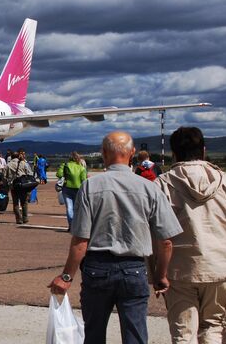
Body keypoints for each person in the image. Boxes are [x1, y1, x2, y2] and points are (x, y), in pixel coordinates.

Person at [48, 131, 182, 344]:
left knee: (94, 333)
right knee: (135, 334)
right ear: (132, 153)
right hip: (134, 268)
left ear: (103, 153)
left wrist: (66, 277)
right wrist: (160, 275)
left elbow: (80, 241)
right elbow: (165, 240)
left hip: (97, 269)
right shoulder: (149, 188)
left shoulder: (91, 186)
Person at [155, 127, 226, 343]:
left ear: (173, 153)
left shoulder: (163, 183)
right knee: (213, 326)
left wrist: (155, 273)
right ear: (203, 150)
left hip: (179, 270)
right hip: (221, 267)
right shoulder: (225, 181)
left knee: (183, 332)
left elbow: (156, 232)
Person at [56, 152, 87, 231]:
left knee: (69, 208)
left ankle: (71, 226)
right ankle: (78, 225)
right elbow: (84, 180)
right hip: (78, 189)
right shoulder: (81, 168)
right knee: (78, 208)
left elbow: (59, 174)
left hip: (67, 188)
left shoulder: (65, 165)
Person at [5, 149, 34, 224]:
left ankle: (18, 219)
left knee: (15, 203)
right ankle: (25, 218)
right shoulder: (23, 163)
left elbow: (5, 176)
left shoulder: (8, 165)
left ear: (11, 157)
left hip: (14, 185)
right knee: (24, 202)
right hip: (23, 185)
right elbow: (30, 173)